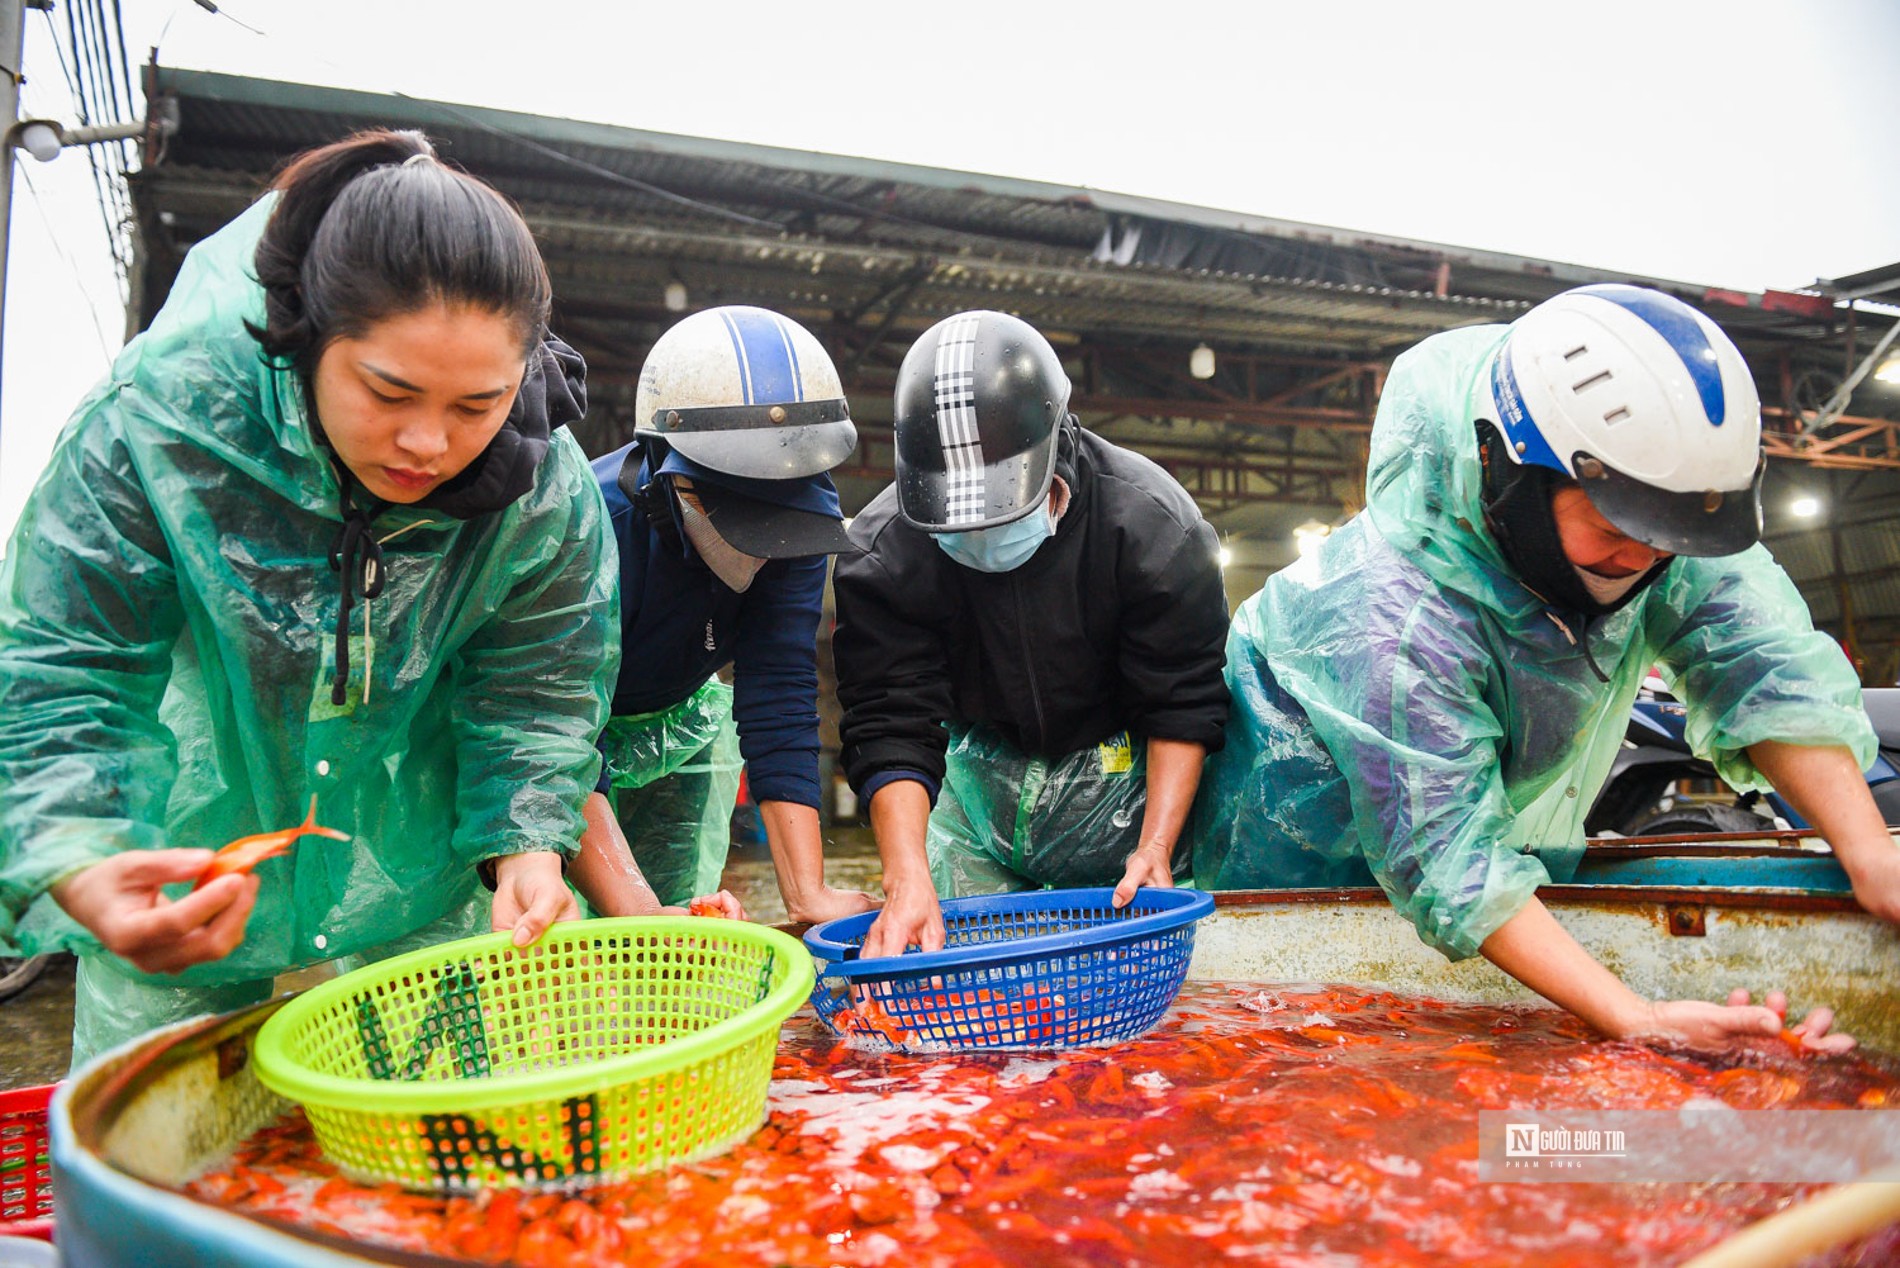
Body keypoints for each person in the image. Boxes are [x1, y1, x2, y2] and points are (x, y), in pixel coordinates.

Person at [0, 130, 617, 1065]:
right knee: (164, 1129)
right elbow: (66, 661)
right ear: (307, 332)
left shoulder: (539, 484)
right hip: (191, 847)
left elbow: (537, 684)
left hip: (420, 847)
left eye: (474, 406)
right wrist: (83, 854)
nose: (428, 444)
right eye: (389, 390)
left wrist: (526, 843)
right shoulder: (168, 417)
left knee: (445, 1119)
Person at [1188, 283, 1892, 1051]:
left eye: (1668, 538)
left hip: (1484, 871)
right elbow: (1447, 856)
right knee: (1314, 1034)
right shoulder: (1394, 614)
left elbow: (1761, 665)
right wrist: (1636, 1017)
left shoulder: (1654, 526)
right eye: (1613, 529)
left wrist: (1868, 854)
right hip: (1300, 865)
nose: (1646, 560)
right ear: (1505, 469)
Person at [834, 310, 1230, 958]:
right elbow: (891, 719)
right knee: (966, 981)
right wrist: (906, 877)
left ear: (1056, 442)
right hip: (979, 788)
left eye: (1002, 512)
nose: (982, 537)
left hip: (1121, 776)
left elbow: (1182, 699)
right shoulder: (885, 555)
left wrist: (1154, 847)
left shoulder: (1153, 529)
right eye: (958, 524)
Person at [569, 306, 874, 925]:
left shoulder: (800, 528)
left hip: (674, 725)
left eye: (778, 527)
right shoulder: (589, 528)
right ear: (669, 478)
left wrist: (806, 893)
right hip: (559, 725)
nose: (764, 549)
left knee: (671, 944)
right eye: (745, 521)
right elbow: (559, 733)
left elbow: (779, 691)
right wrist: (637, 912)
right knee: (546, 934)